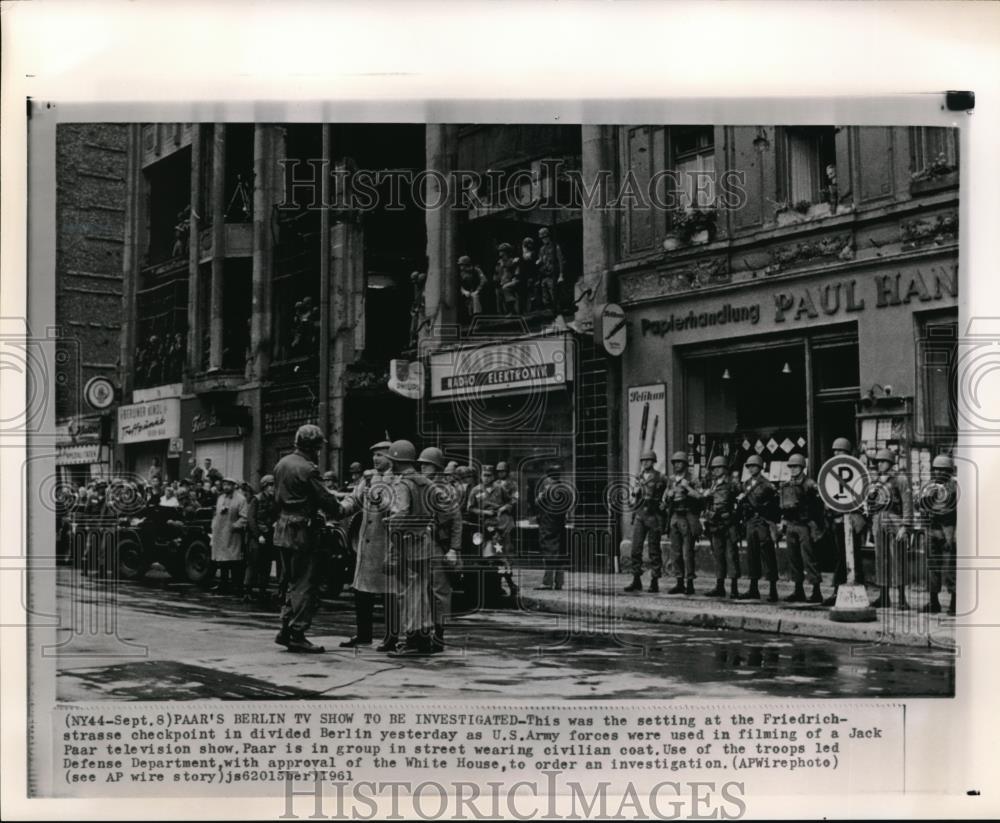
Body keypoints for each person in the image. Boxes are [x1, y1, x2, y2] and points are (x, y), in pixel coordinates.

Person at [272, 425, 343, 653]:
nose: (319, 451)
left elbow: (276, 499)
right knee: (305, 583)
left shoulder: (281, 464)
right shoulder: (307, 469)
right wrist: (340, 508)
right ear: (313, 446)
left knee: (289, 582)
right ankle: (297, 633)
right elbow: (325, 499)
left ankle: (285, 628)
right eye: (318, 447)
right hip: (302, 531)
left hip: (283, 529)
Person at [338, 441, 400, 651]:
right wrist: (341, 508)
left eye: (380, 455)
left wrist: (377, 496)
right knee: (361, 591)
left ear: (391, 457)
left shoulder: (398, 480)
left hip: (386, 543)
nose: (375, 459)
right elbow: (353, 499)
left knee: (389, 592)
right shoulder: (368, 479)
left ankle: (392, 637)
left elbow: (395, 508)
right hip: (366, 544)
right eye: (374, 454)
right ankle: (363, 634)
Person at [383, 440, 436, 656]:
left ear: (397, 461)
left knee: (408, 593)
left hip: (406, 542)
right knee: (421, 591)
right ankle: (424, 639)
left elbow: (401, 512)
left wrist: (391, 525)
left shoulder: (403, 484)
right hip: (424, 541)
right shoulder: (426, 482)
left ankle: (412, 640)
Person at [416, 447, 461, 652]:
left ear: (435, 466)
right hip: (421, 542)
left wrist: (454, 548)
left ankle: (439, 636)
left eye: (426, 464)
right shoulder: (422, 485)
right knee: (423, 589)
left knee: (439, 591)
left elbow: (456, 521)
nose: (422, 467)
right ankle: (424, 633)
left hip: (438, 544)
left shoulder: (446, 489)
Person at [822, 437, 869, 606]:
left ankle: (851, 589)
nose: (836, 454)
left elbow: (863, 495)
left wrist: (858, 516)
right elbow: (829, 494)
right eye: (835, 451)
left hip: (852, 520)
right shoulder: (832, 472)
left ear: (848, 453)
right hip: (837, 520)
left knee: (851, 556)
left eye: (840, 451)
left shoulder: (856, 471)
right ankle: (839, 589)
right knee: (841, 556)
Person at [866, 448, 913, 610]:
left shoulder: (900, 479)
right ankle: (883, 596)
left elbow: (907, 503)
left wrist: (905, 526)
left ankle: (901, 598)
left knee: (897, 560)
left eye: (883, 461)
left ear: (891, 463)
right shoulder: (876, 481)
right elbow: (871, 504)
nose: (880, 464)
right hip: (878, 520)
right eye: (878, 461)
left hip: (894, 520)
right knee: (881, 560)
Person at [779, 454, 826, 604]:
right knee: (793, 558)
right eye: (791, 467)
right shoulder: (787, 485)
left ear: (802, 467)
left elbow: (818, 505)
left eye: (796, 466)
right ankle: (798, 590)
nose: (793, 469)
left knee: (809, 559)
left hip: (805, 525)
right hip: (791, 525)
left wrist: (815, 524)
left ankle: (816, 591)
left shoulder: (809, 484)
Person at [467, 464, 517, 597]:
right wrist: (484, 512)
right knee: (491, 556)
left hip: (502, 525)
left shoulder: (500, 489)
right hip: (486, 527)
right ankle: (496, 585)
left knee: (503, 556)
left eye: (489, 475)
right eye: (484, 475)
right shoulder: (476, 490)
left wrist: (503, 508)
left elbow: (511, 502)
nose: (486, 478)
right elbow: (470, 508)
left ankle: (509, 585)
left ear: (493, 476)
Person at [738, 454, 780, 602]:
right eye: (749, 466)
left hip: (763, 521)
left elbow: (774, 505)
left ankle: (772, 589)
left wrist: (772, 522)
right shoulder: (746, 484)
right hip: (751, 522)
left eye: (754, 466)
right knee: (752, 554)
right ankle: (753, 588)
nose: (751, 469)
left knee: (767, 554)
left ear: (760, 467)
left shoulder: (767, 484)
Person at [624, 450, 667, 593]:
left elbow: (666, 496)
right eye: (643, 461)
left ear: (653, 462)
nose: (645, 463)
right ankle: (636, 579)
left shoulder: (660, 477)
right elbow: (634, 498)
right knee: (635, 549)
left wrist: (663, 505)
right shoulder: (639, 478)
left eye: (648, 460)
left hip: (653, 516)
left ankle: (655, 580)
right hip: (640, 515)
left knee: (654, 550)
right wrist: (633, 497)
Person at [920, 454, 957, 615]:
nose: (939, 472)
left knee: (951, 568)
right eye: (936, 469)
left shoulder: (954, 487)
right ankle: (933, 601)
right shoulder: (930, 487)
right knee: (932, 567)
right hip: (932, 529)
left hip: (949, 530)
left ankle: (954, 602)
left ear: (949, 471)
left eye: (943, 470)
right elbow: (921, 505)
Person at [661, 451, 702, 595]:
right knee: (675, 552)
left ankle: (690, 582)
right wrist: (667, 497)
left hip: (687, 516)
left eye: (679, 462)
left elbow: (700, 497)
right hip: (674, 516)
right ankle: (679, 582)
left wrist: (687, 488)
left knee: (687, 553)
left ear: (685, 464)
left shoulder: (692, 478)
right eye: (675, 463)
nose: (677, 465)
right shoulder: (671, 480)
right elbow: (664, 499)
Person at [703, 455, 742, 599]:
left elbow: (740, 501)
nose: (716, 470)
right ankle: (719, 586)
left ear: (725, 469)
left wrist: (733, 516)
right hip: (715, 524)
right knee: (718, 555)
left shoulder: (733, 484)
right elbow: (707, 503)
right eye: (714, 468)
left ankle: (734, 587)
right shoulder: (712, 485)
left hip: (729, 523)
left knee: (731, 555)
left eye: (719, 467)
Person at [211, 478, 248, 595]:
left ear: (234, 486)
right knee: (222, 561)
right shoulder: (221, 498)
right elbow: (216, 514)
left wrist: (235, 526)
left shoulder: (241, 499)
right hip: (220, 534)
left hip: (233, 534)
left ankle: (236, 586)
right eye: (224, 484)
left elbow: (244, 517)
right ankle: (223, 584)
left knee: (234, 560)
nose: (226, 487)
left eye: (229, 485)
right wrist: (214, 527)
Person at [535, 461, 568, 590]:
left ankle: (547, 582)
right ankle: (559, 582)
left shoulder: (547, 488)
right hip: (559, 523)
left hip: (548, 524)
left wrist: (541, 496)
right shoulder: (563, 488)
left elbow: (538, 503)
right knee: (559, 552)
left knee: (549, 552)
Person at [245, 474, 277, 605]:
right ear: (264, 487)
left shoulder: (274, 500)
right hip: (256, 537)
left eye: (274, 485)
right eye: (270, 485)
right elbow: (251, 520)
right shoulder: (256, 500)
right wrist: (258, 535)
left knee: (266, 565)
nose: (273, 488)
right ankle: (247, 591)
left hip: (269, 535)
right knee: (253, 564)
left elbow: (276, 515)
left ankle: (262, 591)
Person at [458, 256, 487, 320]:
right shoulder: (461, 274)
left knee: (475, 297)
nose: (460, 267)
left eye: (461, 265)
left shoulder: (476, 270)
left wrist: (477, 290)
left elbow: (483, 280)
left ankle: (477, 317)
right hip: (466, 293)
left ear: (466, 264)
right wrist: (464, 291)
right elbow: (459, 285)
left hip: (477, 291)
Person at [495, 243, 521, 314]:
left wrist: (512, 282)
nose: (501, 254)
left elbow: (517, 275)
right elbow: (497, 275)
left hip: (513, 282)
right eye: (500, 252)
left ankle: (512, 311)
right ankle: (502, 313)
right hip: (503, 283)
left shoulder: (514, 261)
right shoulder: (499, 263)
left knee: (505, 288)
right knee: (498, 291)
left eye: (502, 252)